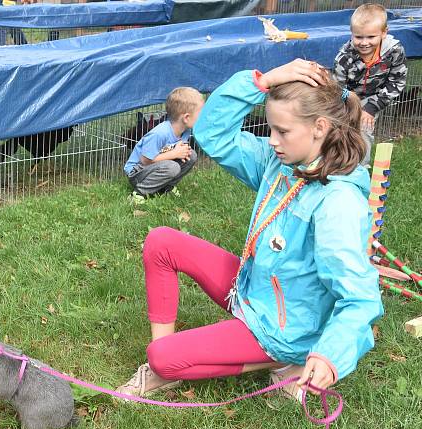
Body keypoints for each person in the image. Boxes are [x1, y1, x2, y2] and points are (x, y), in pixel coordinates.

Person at [116, 59, 383, 401]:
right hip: (251, 293)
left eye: (282, 131)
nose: (272, 140)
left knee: (163, 358)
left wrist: (329, 355)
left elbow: (360, 298)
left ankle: (286, 360)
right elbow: (212, 132)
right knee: (162, 242)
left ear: (319, 127)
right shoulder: (280, 162)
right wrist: (262, 81)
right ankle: (163, 372)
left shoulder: (337, 202)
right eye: (270, 128)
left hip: (283, 330)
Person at [333, 3, 407, 165]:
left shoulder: (394, 51)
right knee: (339, 128)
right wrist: (348, 105)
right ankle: (336, 162)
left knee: (363, 127)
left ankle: (361, 168)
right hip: (347, 97)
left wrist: (371, 108)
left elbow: (397, 82)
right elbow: (337, 88)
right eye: (358, 37)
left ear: (384, 33)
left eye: (371, 37)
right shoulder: (344, 57)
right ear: (352, 34)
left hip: (375, 97)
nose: (364, 43)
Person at [123, 87, 204, 196]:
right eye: (200, 114)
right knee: (172, 167)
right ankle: (139, 193)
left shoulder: (186, 131)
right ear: (186, 118)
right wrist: (174, 153)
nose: (203, 117)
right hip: (137, 173)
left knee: (191, 155)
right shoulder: (160, 133)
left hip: (156, 166)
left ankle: (166, 188)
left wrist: (178, 153)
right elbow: (145, 160)